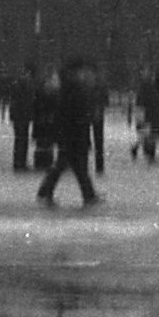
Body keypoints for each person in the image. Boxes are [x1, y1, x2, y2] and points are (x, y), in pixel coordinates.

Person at [37, 58, 102, 209]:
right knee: (70, 164)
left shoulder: (69, 87)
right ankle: (47, 191)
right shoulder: (73, 88)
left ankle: (87, 194)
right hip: (73, 133)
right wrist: (87, 117)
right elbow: (73, 112)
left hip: (70, 133)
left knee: (72, 165)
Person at [9, 62, 38, 171]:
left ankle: (19, 161)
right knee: (22, 138)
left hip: (18, 114)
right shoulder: (27, 82)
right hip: (23, 114)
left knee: (19, 138)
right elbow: (28, 99)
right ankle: (20, 162)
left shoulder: (18, 81)